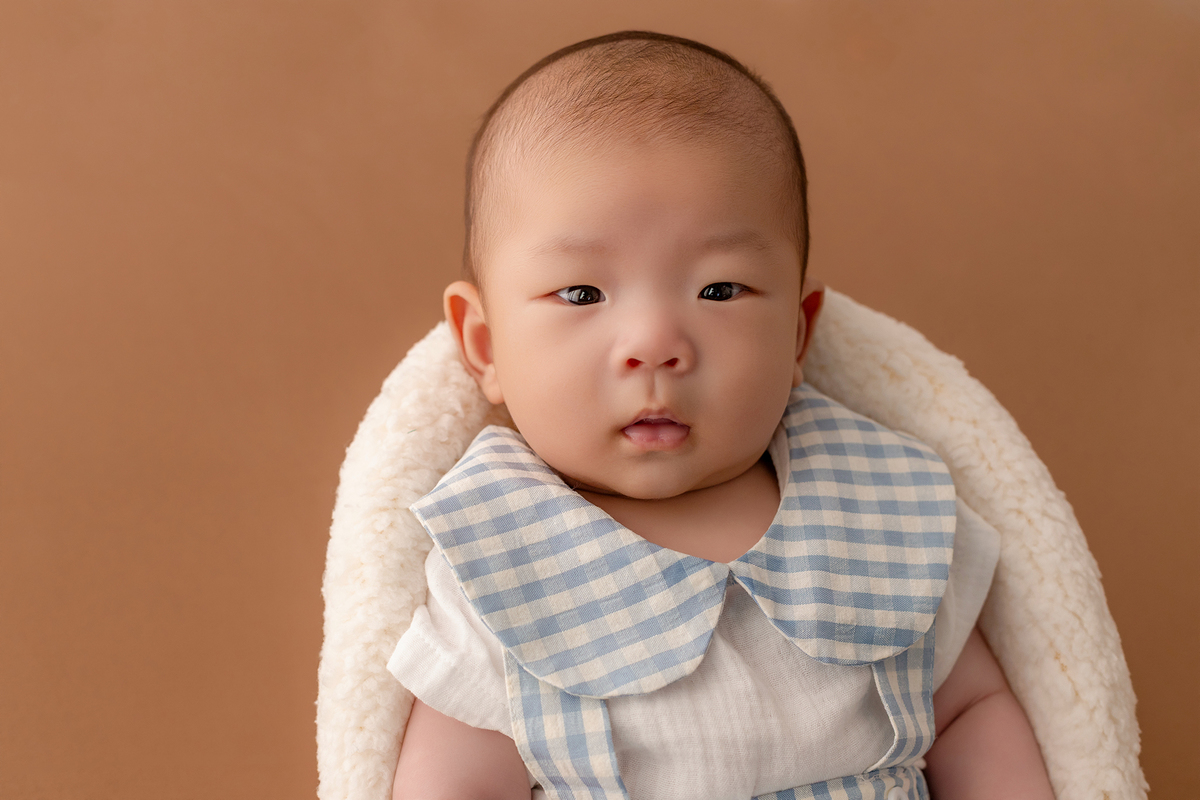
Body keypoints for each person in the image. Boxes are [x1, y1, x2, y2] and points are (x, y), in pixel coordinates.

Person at [388, 31, 1055, 800]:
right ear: (485, 343)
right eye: (581, 294)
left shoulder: (876, 505)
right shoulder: (499, 558)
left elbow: (971, 709)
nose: (654, 345)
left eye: (718, 291)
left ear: (797, 334)